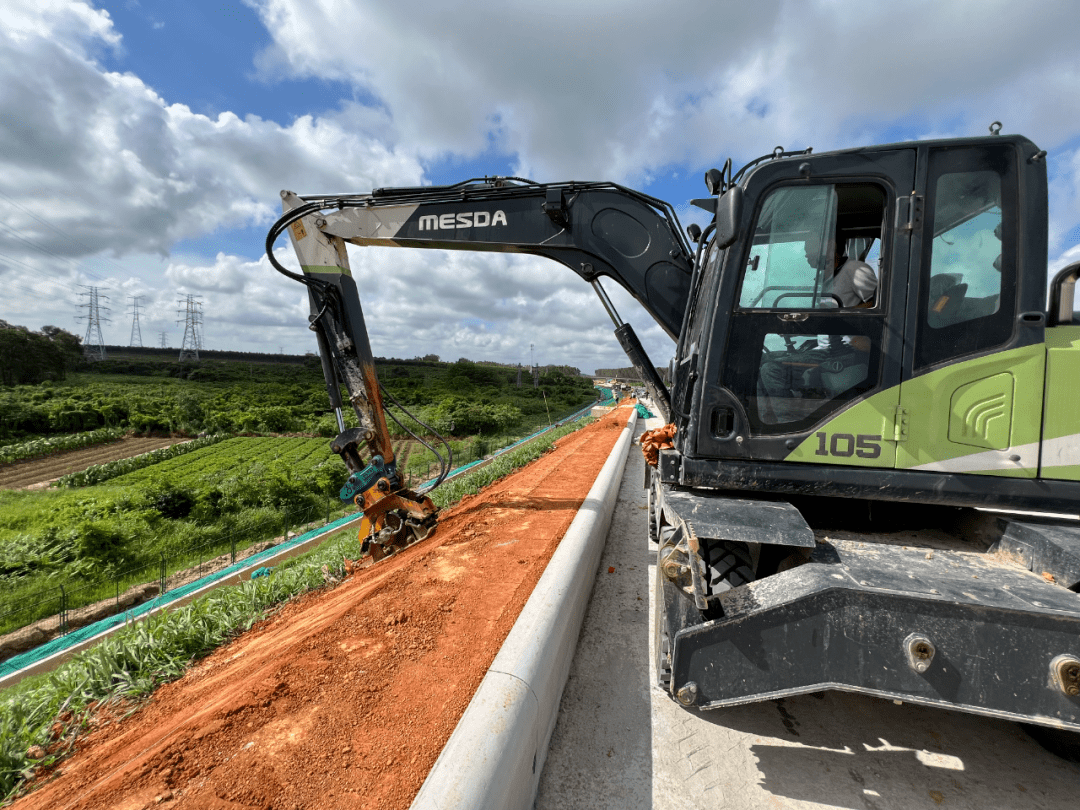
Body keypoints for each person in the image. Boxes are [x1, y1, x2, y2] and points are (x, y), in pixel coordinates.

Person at [757, 232, 876, 424]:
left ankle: (788, 424)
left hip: (843, 349)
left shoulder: (855, 270)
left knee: (772, 370)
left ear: (828, 245)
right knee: (761, 360)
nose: (805, 254)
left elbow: (877, 303)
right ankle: (767, 422)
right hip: (822, 348)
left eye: (808, 248)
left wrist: (841, 316)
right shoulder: (825, 278)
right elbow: (822, 318)